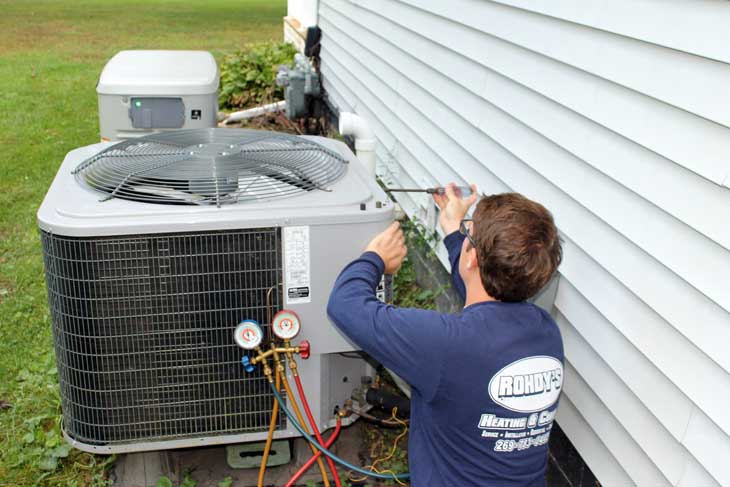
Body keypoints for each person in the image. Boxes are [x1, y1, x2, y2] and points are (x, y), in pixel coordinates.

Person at [327, 184, 564, 487]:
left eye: (469, 233)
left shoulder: (444, 346)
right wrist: (455, 230)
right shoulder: (545, 333)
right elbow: (488, 288)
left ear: (472, 257)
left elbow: (345, 304)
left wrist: (374, 257)